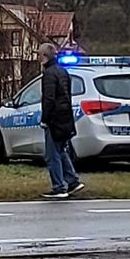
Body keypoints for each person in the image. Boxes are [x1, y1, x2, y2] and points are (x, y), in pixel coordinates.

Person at [39, 43, 85, 199]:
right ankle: (72, 181)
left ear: (44, 57)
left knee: (52, 155)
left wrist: (45, 119)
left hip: (54, 119)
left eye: (40, 56)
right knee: (61, 151)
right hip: (66, 117)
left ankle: (59, 187)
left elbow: (49, 99)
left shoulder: (49, 74)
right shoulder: (63, 72)